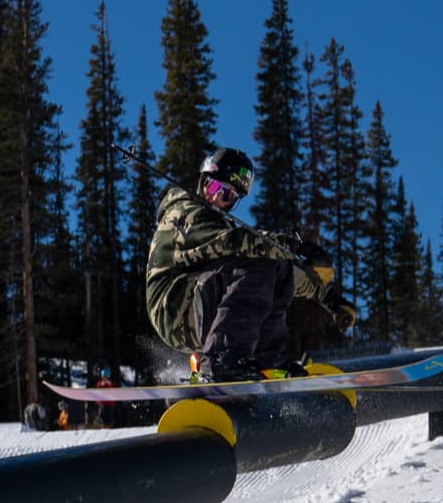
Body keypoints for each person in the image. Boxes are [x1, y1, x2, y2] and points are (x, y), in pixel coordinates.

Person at [145, 146, 354, 382]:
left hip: (201, 301)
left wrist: (330, 300)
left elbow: (265, 259)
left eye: (228, 196)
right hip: (173, 309)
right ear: (203, 181)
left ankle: (263, 359)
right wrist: (294, 246)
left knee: (277, 266)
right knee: (258, 261)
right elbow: (234, 242)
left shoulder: (219, 225)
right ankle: (223, 360)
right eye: (215, 188)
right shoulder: (184, 215)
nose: (218, 199)